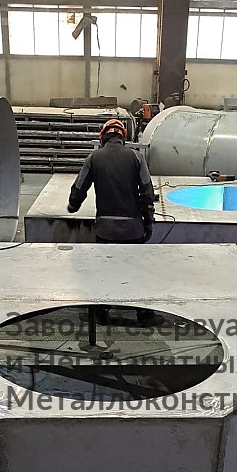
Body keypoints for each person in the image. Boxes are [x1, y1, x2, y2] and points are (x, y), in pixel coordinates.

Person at [66, 118, 158, 325]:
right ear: (123, 137)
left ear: (103, 138)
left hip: (105, 230)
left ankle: (100, 313)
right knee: (136, 272)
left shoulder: (94, 158)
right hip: (133, 229)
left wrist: (73, 206)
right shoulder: (136, 157)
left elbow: (79, 188)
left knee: (104, 271)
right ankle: (144, 314)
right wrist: (148, 222)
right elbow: (147, 192)